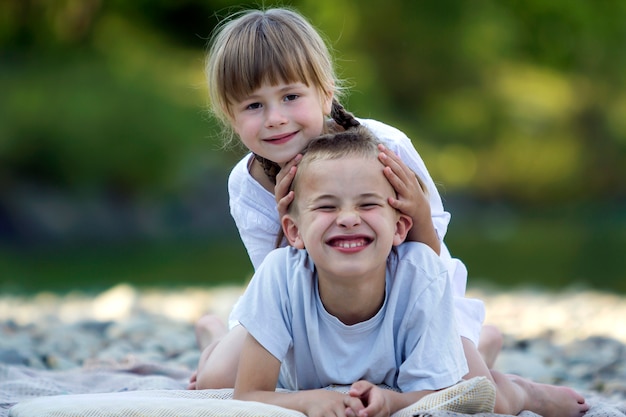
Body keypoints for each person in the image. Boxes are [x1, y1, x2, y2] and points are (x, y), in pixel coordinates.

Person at [190, 7, 589, 417]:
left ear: (325, 94)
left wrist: (415, 208)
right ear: (230, 116)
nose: (275, 119)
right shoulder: (248, 184)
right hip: (315, 309)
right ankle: (213, 338)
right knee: (215, 382)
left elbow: (427, 258)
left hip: (407, 299)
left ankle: (518, 387)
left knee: (475, 394)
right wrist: (286, 213)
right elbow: (275, 281)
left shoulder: (384, 149)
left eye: (291, 96)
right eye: (254, 106)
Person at [232, 126, 470, 416]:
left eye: (367, 204)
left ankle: (517, 380)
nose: (347, 219)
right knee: (213, 378)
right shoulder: (279, 273)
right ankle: (211, 333)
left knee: (493, 395)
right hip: (291, 372)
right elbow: (249, 394)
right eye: (326, 206)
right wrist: (306, 401)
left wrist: (391, 401)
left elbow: (440, 394)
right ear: (294, 232)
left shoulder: (421, 273)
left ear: (399, 227)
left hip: (429, 338)